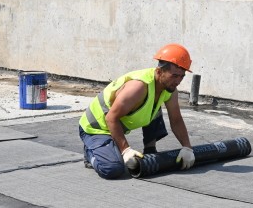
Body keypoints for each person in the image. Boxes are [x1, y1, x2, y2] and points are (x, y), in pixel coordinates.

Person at [79, 43, 195, 179]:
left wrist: (187, 147)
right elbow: (111, 118)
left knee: (153, 106)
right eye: (174, 75)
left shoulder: (169, 88)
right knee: (112, 169)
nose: (178, 81)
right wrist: (126, 150)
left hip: (115, 124)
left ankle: (150, 149)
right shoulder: (138, 87)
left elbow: (176, 119)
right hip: (95, 128)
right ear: (159, 71)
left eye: (182, 76)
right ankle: (90, 153)